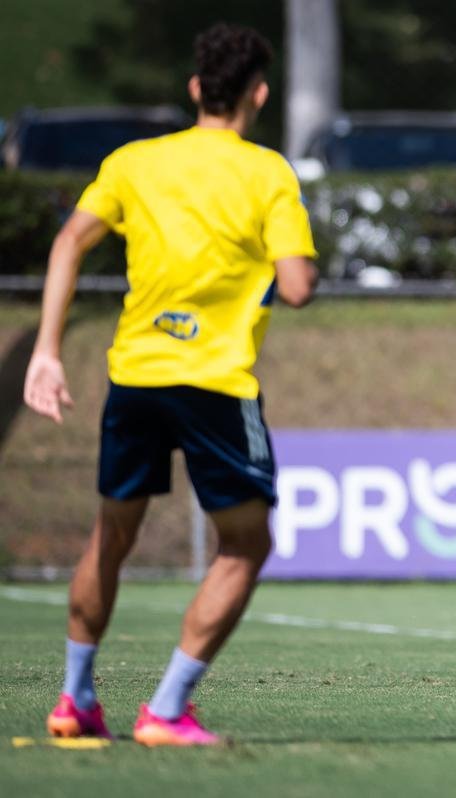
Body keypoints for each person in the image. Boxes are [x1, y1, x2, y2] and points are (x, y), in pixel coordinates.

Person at [24, 23, 317, 745]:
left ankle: (74, 700)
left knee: (111, 535)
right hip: (215, 383)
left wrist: (47, 351)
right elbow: (298, 286)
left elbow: (69, 242)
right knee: (245, 546)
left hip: (135, 373)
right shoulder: (268, 172)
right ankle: (165, 709)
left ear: (194, 88)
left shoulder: (132, 162)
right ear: (260, 93)